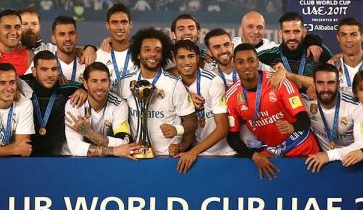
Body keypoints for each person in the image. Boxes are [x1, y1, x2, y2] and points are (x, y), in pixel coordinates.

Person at [223, 44, 318, 174]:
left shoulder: (279, 82)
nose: (246, 66)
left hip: (300, 145)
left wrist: (293, 126)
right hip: (272, 153)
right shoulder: (231, 96)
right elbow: (232, 137)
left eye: (251, 60)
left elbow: (304, 120)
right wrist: (253, 156)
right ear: (234, 64)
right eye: (240, 62)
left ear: (257, 62)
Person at [117, 28, 196, 158]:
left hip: (166, 157)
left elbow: (192, 121)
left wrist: (177, 131)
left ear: (163, 54)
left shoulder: (174, 84)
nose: (153, 54)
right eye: (147, 50)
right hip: (134, 155)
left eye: (158, 50)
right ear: (138, 54)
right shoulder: (125, 83)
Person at [171, 39, 234, 173]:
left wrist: (193, 152)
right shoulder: (173, 84)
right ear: (174, 59)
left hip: (224, 155)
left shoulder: (213, 81)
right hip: (195, 156)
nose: (187, 62)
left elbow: (222, 128)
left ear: (198, 58)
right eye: (181, 57)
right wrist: (180, 147)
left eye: (191, 56)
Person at [63, 63, 142, 158]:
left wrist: (90, 133)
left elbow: (124, 143)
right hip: (72, 161)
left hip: (105, 161)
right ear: (85, 84)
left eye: (104, 81)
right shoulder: (74, 104)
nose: (99, 87)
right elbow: (76, 148)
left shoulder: (119, 105)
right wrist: (113, 150)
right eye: (94, 81)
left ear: (110, 83)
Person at [302, 63, 362, 173]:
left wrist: (328, 155)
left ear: (338, 84)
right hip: (324, 167)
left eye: (331, 83)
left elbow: (362, 144)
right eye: (320, 83)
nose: (325, 88)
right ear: (313, 84)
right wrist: (282, 73)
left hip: (353, 165)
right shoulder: (306, 102)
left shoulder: (355, 106)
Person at [23, 50, 71, 156]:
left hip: (56, 155)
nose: (50, 75)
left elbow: (87, 86)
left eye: (54, 69)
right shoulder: (22, 84)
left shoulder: (65, 86)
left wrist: (83, 91)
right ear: (34, 71)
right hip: (26, 156)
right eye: (44, 69)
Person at [258, 12, 333, 78]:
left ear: (304, 32)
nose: (292, 37)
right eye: (287, 32)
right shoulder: (266, 57)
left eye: (296, 32)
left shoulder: (318, 52)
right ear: (280, 33)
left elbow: (335, 75)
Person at [51, 15, 93, 93]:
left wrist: (86, 91)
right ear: (54, 38)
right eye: (62, 34)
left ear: (76, 36)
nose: (67, 38)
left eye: (71, 33)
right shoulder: (46, 64)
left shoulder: (88, 62)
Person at [97, 2, 134, 81]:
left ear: (130, 25)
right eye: (115, 22)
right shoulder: (98, 56)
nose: (120, 27)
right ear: (107, 25)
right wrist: (89, 48)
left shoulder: (141, 53)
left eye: (124, 22)